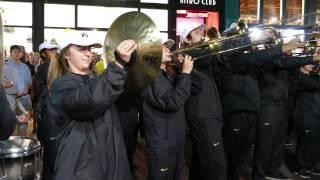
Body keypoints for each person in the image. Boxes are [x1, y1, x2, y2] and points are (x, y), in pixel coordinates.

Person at [47, 32, 137, 180]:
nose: (88, 54)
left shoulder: (98, 80)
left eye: (89, 49)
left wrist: (137, 67)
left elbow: (127, 98)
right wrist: (118, 65)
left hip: (112, 162)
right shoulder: (61, 86)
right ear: (66, 55)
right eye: (81, 49)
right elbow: (89, 101)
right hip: (83, 169)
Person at [142, 40, 193, 180]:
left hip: (174, 141)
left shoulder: (168, 75)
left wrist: (182, 71)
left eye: (168, 47)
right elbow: (171, 101)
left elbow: (191, 90)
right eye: (163, 48)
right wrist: (185, 74)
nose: (168, 50)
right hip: (162, 145)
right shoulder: (150, 76)